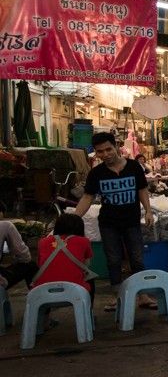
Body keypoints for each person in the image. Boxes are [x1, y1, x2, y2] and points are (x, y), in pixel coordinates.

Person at [74, 132, 155, 310]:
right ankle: (117, 297)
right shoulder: (96, 173)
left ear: (116, 146)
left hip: (132, 221)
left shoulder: (134, 166)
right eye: (100, 151)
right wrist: (73, 218)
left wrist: (148, 211)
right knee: (113, 260)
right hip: (108, 224)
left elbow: (142, 189)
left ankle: (142, 295)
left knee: (137, 258)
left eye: (108, 149)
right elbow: (88, 197)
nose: (105, 154)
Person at [34, 213, 94, 299]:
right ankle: (87, 307)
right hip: (75, 289)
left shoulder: (43, 242)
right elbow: (86, 265)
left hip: (44, 289)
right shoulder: (84, 241)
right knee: (90, 276)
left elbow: (39, 264)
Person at [0, 219, 37, 292]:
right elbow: (24, 256)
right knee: (30, 265)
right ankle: (37, 296)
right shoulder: (5, 226)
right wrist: (16, 260)